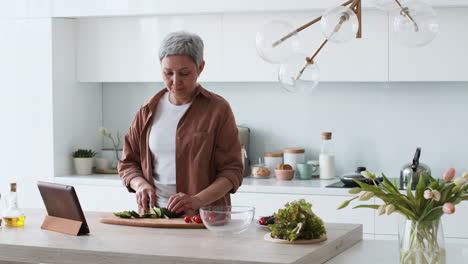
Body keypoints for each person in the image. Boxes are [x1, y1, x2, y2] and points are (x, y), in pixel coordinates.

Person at [118, 31, 243, 216]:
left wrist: (197, 200)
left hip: (204, 218)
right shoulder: (147, 110)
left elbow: (232, 171)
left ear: (200, 68)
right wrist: (140, 184)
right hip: (154, 215)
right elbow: (128, 164)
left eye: (184, 73)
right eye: (168, 73)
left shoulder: (218, 110)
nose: (175, 82)